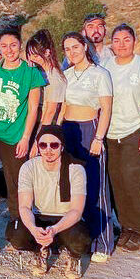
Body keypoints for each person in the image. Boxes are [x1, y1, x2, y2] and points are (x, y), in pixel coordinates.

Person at [0, 27, 45, 251]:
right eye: (3, 46)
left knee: (16, 182)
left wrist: (26, 137)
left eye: (13, 45)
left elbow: (33, 109)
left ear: (20, 45)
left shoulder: (30, 72)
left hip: (16, 134)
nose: (9, 50)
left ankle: (18, 225)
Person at [8, 125, 92, 279]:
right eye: (43, 145)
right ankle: (39, 250)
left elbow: (76, 211)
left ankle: (73, 256)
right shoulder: (28, 167)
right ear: (38, 146)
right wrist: (33, 229)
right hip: (39, 217)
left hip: (65, 219)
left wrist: (54, 229)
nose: (48, 150)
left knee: (81, 239)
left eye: (54, 145)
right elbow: (24, 207)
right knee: (16, 234)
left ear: (62, 147)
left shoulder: (76, 169)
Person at [100, 24, 140, 253]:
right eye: (117, 40)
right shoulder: (106, 66)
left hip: (135, 130)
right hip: (111, 133)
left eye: (126, 39)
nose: (121, 44)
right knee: (117, 182)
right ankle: (125, 227)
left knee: (133, 182)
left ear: (134, 41)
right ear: (111, 43)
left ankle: (139, 228)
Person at [57, 32, 114, 260]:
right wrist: (56, 133)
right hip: (68, 129)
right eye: (67, 49)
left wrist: (98, 138)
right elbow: (62, 107)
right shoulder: (66, 75)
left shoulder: (100, 74)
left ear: (85, 46)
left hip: (90, 128)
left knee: (94, 186)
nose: (72, 52)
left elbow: (106, 109)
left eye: (75, 47)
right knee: (70, 185)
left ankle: (102, 242)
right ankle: (74, 237)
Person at [26, 29, 66, 126]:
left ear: (47, 52)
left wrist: (38, 137)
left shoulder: (54, 78)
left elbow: (50, 112)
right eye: (29, 55)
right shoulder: (37, 70)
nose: (31, 59)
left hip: (42, 124)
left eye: (35, 56)